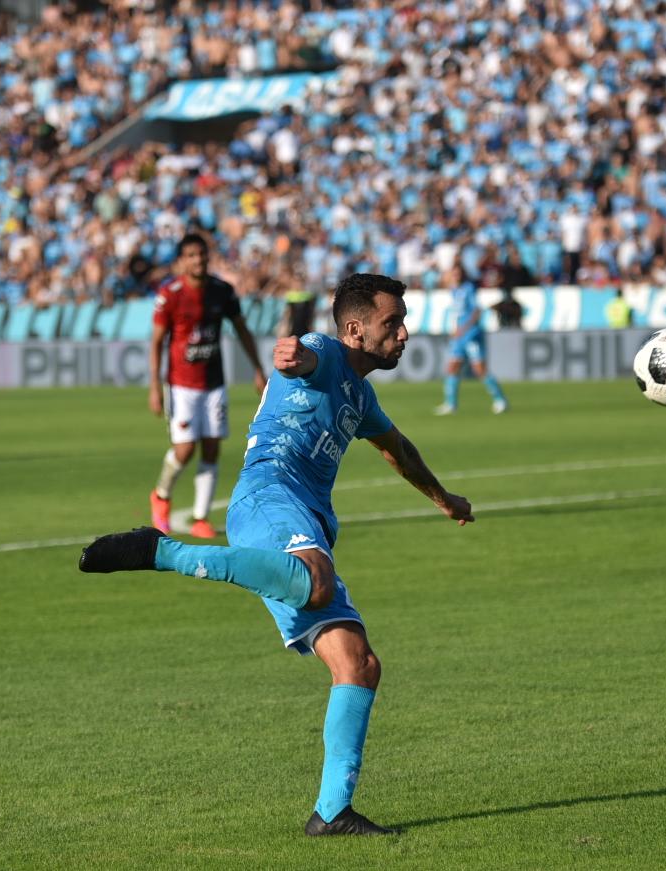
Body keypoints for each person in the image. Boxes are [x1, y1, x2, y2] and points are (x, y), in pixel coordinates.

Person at [81, 273, 475, 836]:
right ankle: (160, 551)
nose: (405, 333)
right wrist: (288, 353)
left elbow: (399, 450)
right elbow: (297, 356)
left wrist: (444, 499)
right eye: (394, 322)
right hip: (268, 497)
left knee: (358, 664)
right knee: (315, 581)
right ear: (357, 331)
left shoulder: (361, 396)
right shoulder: (323, 351)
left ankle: (332, 811)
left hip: (303, 522)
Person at [148, 233, 267, 538]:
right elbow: (158, 342)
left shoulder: (222, 291)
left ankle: (200, 517)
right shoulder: (171, 293)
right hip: (181, 384)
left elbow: (242, 330)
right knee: (185, 449)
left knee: (212, 447)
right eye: (191, 255)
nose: (198, 260)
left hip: (213, 383)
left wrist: (257, 368)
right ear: (181, 261)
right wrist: (153, 386)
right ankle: (161, 495)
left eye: (201, 254)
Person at [435, 265, 509, 415]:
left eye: (458, 273)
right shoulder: (454, 290)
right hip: (460, 336)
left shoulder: (469, 289)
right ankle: (451, 404)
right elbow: (457, 313)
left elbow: (477, 310)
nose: (456, 276)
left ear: (463, 274)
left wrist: (464, 328)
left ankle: (500, 400)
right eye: (453, 273)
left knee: (479, 369)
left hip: (471, 334)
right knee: (452, 367)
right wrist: (456, 329)